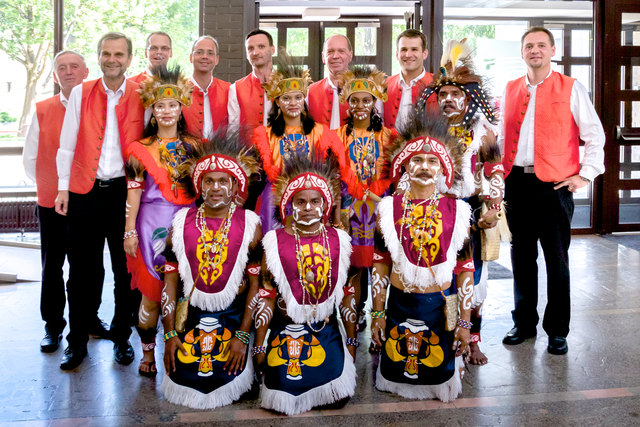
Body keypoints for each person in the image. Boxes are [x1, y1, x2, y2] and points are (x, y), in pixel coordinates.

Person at [499, 27, 605, 355]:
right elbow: (502, 137)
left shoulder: (571, 88)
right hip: (516, 183)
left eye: (541, 45)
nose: (535, 50)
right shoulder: (510, 88)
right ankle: (524, 323)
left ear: (552, 50)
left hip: (554, 187)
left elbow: (595, 135)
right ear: (522, 52)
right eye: (529, 45)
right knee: (521, 258)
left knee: (556, 260)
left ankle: (557, 330)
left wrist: (585, 176)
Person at [55, 32, 145, 370]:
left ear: (129, 58)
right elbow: (67, 143)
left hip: (125, 193)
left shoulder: (141, 95)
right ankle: (76, 341)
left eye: (119, 54)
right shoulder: (81, 92)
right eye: (106, 53)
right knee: (82, 272)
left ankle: (123, 337)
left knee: (125, 271)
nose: (112, 59)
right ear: (98, 56)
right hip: (84, 192)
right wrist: (63, 188)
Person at [371, 112, 473, 402]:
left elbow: (465, 270)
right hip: (400, 305)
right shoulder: (388, 211)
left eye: (432, 161)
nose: (424, 167)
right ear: (404, 165)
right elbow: (380, 264)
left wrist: (464, 323)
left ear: (443, 169)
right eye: (417, 160)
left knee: (438, 372)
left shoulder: (459, 212)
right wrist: (377, 314)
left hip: (439, 308)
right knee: (394, 373)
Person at [416, 39, 505, 365]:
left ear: (468, 99)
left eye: (456, 95)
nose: (449, 100)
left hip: (472, 212)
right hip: (436, 213)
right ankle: (447, 333)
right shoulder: (429, 132)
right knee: (440, 277)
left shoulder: (484, 133)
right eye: (444, 95)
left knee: (475, 280)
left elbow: (496, 172)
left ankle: (474, 339)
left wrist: (494, 209)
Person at [160, 132, 262, 409]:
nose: (215, 187)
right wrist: (170, 335)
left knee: (230, 376)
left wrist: (243, 336)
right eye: (209, 180)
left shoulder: (251, 225)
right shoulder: (180, 225)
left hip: (233, 318)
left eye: (223, 181)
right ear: (199, 186)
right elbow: (169, 283)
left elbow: (256, 286)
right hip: (192, 319)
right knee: (184, 378)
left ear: (234, 186)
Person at [253, 155, 356, 415]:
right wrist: (259, 345)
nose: (308, 207)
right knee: (281, 398)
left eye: (314, 201)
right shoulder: (273, 242)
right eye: (301, 201)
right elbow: (265, 295)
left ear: (324, 204)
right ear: (290, 205)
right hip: (286, 329)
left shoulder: (341, 241)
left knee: (337, 398)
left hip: (325, 328)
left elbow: (347, 295)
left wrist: (352, 342)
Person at [123, 66, 199, 377]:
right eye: (160, 106)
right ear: (152, 111)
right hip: (150, 224)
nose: (166, 111)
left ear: (182, 109)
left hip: (189, 223)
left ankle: (181, 351)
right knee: (152, 293)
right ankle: (148, 353)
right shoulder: (139, 149)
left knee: (187, 291)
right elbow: (133, 192)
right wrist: (128, 230)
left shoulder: (197, 145)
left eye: (172, 105)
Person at [23, 50, 88, 353]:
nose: (69, 71)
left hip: (86, 202)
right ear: (54, 75)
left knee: (85, 267)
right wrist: (50, 188)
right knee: (52, 268)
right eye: (62, 68)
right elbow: (30, 159)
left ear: (86, 71)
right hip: (51, 203)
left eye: (74, 66)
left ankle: (86, 322)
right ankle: (52, 326)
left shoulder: (95, 107)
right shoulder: (42, 109)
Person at [334, 65, 395, 334]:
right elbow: (333, 176)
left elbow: (394, 173)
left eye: (366, 100)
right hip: (349, 209)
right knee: (354, 268)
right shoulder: (336, 136)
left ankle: (380, 315)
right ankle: (355, 315)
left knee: (381, 264)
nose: (360, 105)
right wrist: (339, 211)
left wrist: (377, 193)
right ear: (346, 103)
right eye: (354, 100)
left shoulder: (388, 136)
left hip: (379, 207)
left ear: (375, 102)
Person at [253, 60, 345, 233]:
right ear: (277, 102)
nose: (293, 102)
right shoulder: (265, 135)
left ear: (304, 100)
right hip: (274, 200)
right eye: (286, 98)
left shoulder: (320, 133)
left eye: (298, 97)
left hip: (310, 199)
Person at [382, 29, 436, 131]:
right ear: (397, 54)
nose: (408, 55)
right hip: (389, 146)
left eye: (414, 49)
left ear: (424, 54)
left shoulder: (438, 84)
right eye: (404, 50)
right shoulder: (384, 85)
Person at [181, 36, 230, 138]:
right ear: (191, 58)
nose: (205, 56)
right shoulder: (178, 89)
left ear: (216, 59)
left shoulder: (229, 90)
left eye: (210, 53)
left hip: (221, 152)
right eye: (199, 52)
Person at [227, 29, 275, 134]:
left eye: (261, 47)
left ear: (272, 50)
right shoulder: (235, 89)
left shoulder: (287, 83)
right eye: (250, 48)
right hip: (248, 149)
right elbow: (232, 131)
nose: (255, 52)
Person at [307, 35, 352, 129]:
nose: (335, 56)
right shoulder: (309, 92)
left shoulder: (363, 91)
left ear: (350, 55)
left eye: (341, 51)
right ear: (323, 57)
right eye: (330, 52)